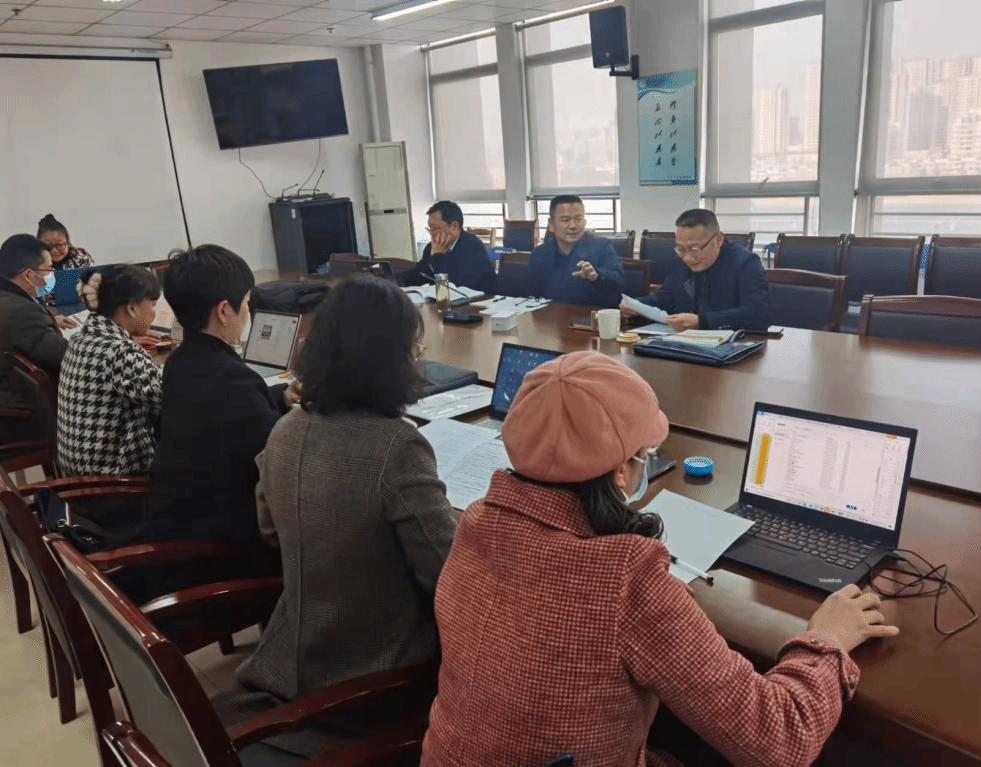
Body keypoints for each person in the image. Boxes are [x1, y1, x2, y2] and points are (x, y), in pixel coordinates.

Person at [421, 351, 898, 767]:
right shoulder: (627, 580)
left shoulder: (477, 522)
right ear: (620, 473)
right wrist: (828, 639)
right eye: (644, 454)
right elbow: (779, 741)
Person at [230, 275, 457, 758]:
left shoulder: (286, 429)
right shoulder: (396, 445)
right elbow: (449, 574)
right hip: (374, 668)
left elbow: (269, 529)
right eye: (413, 347)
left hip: (291, 649)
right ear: (390, 359)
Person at [144, 244, 298, 544]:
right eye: (247, 303)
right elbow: (279, 458)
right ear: (225, 311)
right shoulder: (234, 379)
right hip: (225, 539)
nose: (248, 312)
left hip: (181, 515)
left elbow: (233, 413)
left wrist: (282, 396)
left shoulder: (179, 362)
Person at [57, 265, 163, 477]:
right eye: (152, 305)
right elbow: (172, 394)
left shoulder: (81, 338)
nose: (154, 314)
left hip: (79, 472)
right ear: (132, 308)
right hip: (112, 479)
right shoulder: (120, 352)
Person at [621, 208, 770, 331]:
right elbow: (667, 297)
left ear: (718, 240)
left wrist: (702, 321)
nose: (687, 258)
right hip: (683, 343)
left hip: (731, 347)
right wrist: (637, 306)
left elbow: (758, 313)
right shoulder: (681, 261)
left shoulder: (745, 263)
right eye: (681, 249)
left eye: (695, 249)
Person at [0, 234, 67, 425]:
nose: (52, 274)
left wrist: (50, 320)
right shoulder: (23, 312)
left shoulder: (9, 297)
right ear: (29, 275)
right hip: (23, 405)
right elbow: (66, 355)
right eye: (49, 269)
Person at [529, 195, 624, 307]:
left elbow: (619, 284)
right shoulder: (540, 253)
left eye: (578, 219)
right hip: (550, 316)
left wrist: (596, 276)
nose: (573, 226)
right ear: (551, 224)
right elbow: (533, 295)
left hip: (592, 315)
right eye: (565, 220)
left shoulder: (602, 247)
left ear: (584, 222)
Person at [401, 201, 497, 294]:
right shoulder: (432, 246)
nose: (432, 233)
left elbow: (450, 288)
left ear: (454, 227)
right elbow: (419, 274)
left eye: (435, 228)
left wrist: (437, 257)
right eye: (430, 228)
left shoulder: (472, 246)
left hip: (478, 300)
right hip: (440, 301)